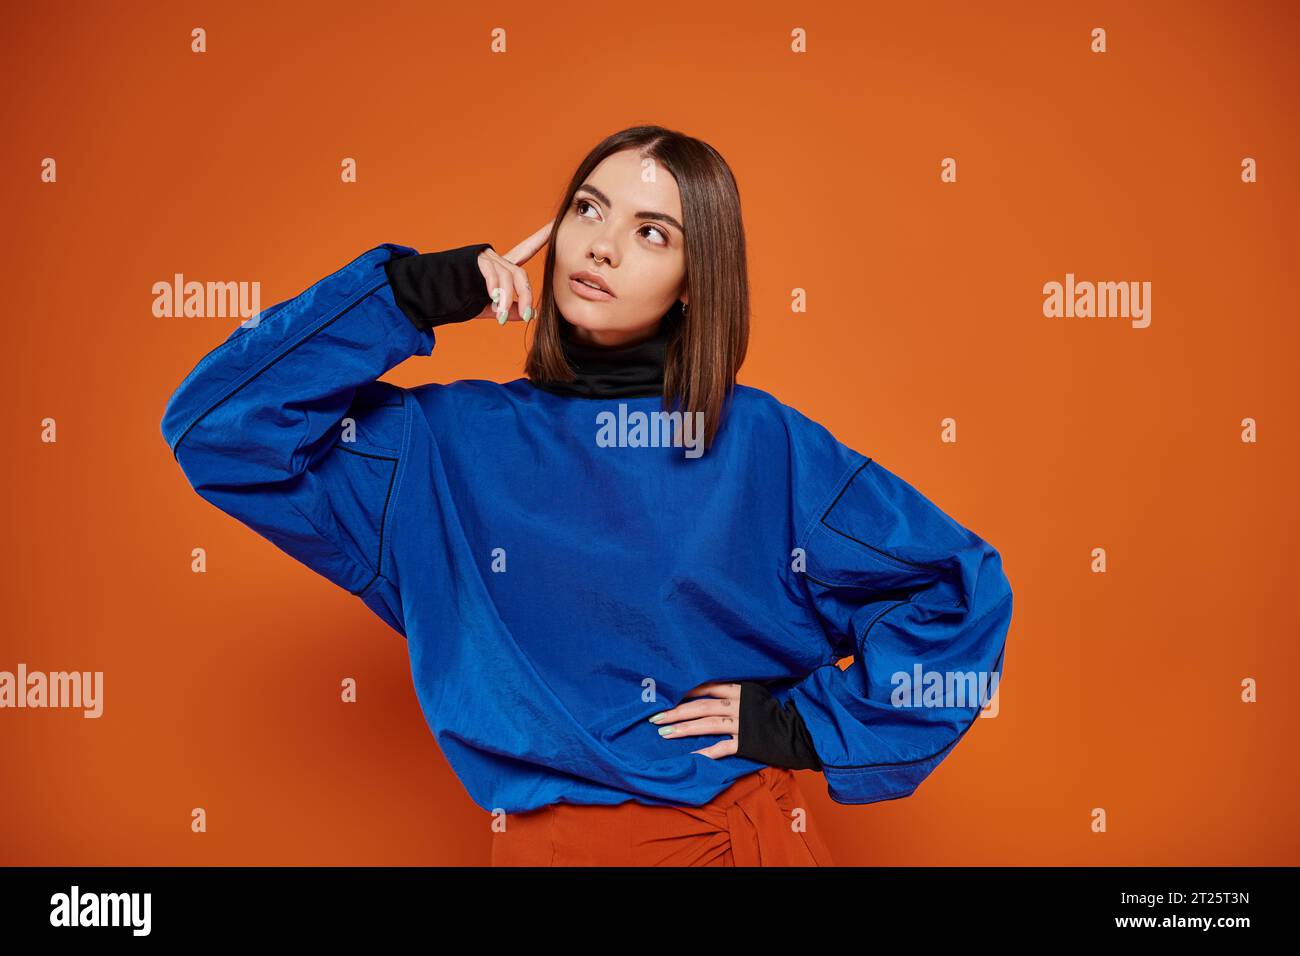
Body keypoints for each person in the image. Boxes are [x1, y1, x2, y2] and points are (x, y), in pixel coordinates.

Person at [159, 124, 1014, 867]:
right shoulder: (442, 447)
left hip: (757, 837)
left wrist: (799, 729)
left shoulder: (763, 442)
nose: (602, 245)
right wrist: (411, 294)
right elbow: (216, 427)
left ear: (693, 282)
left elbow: (955, 587)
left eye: (652, 233)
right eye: (588, 210)